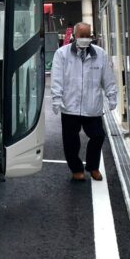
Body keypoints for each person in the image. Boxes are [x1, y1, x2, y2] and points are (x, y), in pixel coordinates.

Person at [50, 22, 118, 181]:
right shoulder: (62, 54)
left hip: (92, 105)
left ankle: (93, 167)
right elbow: (57, 79)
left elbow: (108, 78)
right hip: (69, 106)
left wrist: (112, 95)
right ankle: (76, 169)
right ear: (74, 36)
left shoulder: (100, 54)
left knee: (98, 136)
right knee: (70, 141)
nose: (85, 39)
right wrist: (56, 99)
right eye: (82, 36)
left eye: (88, 36)